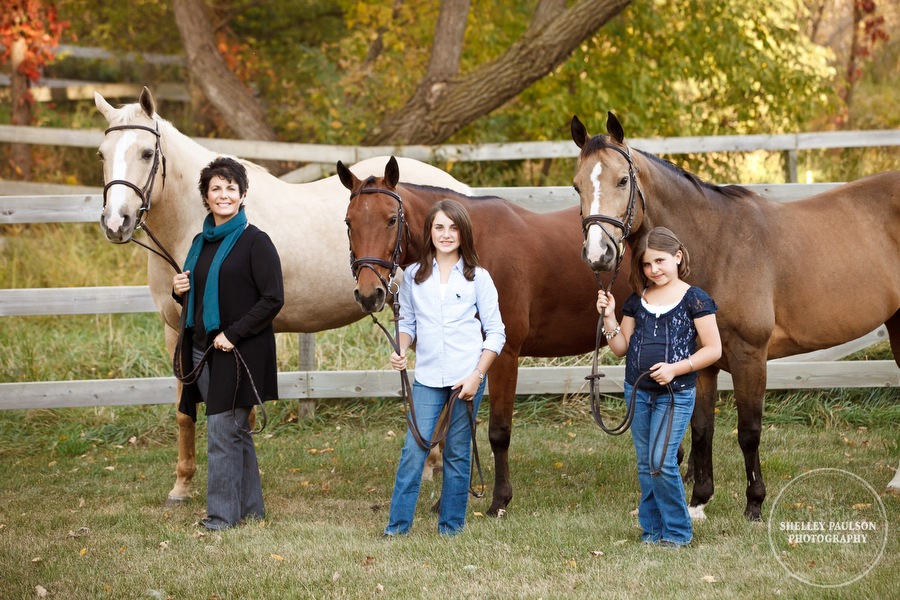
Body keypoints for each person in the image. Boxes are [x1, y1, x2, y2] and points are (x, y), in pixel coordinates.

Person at [172, 157, 284, 531]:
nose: (223, 195)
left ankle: (220, 518)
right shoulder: (199, 243)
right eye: (216, 188)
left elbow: (272, 299)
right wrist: (180, 291)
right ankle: (251, 510)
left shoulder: (256, 241)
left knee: (222, 431)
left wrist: (232, 334)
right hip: (202, 350)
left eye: (230, 188)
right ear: (206, 196)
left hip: (239, 352)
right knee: (236, 432)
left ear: (242, 194)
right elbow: (202, 298)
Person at [384, 199, 506, 537]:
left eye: (453, 228)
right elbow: (407, 322)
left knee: (456, 452)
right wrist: (402, 348)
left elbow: (496, 332)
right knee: (413, 450)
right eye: (439, 227)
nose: (446, 234)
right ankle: (396, 527)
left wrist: (477, 375)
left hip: (466, 377)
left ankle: (451, 527)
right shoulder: (412, 276)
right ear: (429, 232)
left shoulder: (478, 278)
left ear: (463, 232)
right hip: (426, 377)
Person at [596, 226, 721, 548]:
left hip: (674, 393)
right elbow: (621, 347)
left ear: (678, 257)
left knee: (661, 460)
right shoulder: (637, 301)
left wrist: (675, 369)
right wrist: (609, 317)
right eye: (647, 265)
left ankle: (678, 533)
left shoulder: (695, 298)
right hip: (637, 391)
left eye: (661, 261)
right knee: (645, 463)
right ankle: (652, 531)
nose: (654, 270)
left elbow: (712, 349)